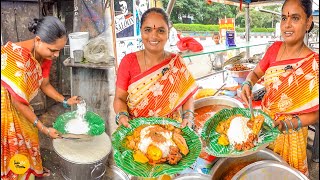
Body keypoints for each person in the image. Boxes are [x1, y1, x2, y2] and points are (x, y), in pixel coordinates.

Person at [240, 0, 318, 176]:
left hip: (292, 133)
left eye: (295, 18)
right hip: (265, 127)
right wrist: (247, 83)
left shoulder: (313, 63)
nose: (287, 25)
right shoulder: (274, 49)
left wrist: (285, 124)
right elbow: (255, 73)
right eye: (284, 18)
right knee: (263, 171)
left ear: (308, 22)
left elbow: (315, 113)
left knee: (286, 174)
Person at [1, 16, 80, 179]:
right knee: (15, 142)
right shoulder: (19, 60)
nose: (57, 55)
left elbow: (44, 84)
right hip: (6, 105)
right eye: (53, 50)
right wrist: (45, 129)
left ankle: (30, 167)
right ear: (38, 40)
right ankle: (18, 173)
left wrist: (65, 100)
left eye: (59, 50)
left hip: (20, 101)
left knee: (29, 134)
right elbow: (17, 102)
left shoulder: (45, 55)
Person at [114, 8, 198, 129]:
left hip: (171, 131)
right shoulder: (128, 62)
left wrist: (188, 117)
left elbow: (187, 96)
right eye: (147, 30)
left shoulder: (176, 63)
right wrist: (122, 115)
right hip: (136, 131)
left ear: (168, 33)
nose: (153, 36)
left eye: (161, 30)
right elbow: (119, 98)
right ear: (141, 31)